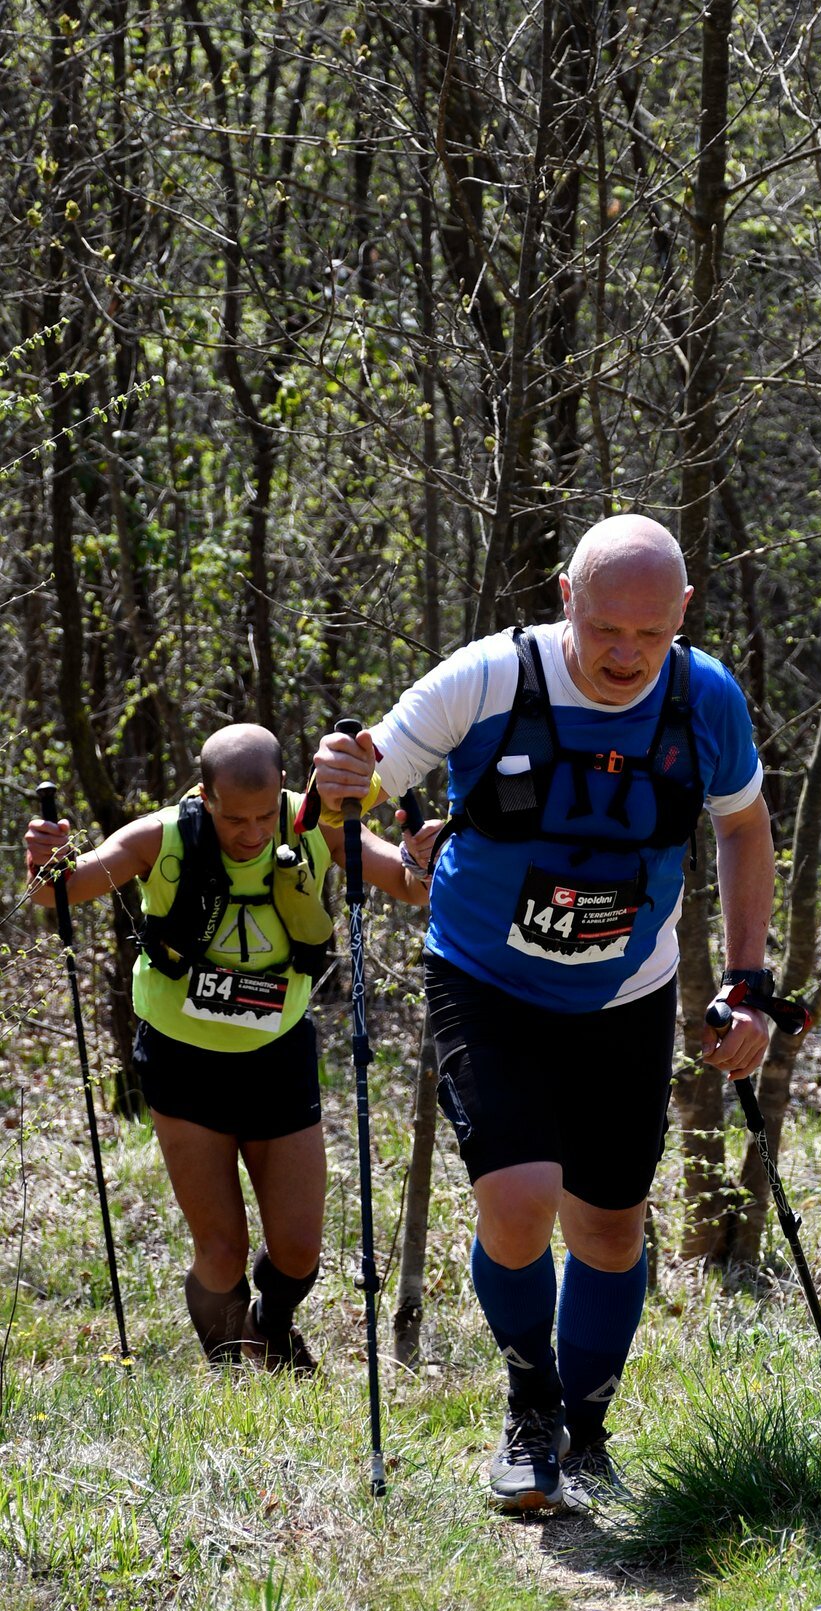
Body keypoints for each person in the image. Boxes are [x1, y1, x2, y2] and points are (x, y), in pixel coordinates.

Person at [313, 514, 775, 1513]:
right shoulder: (487, 679)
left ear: (682, 616)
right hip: (487, 975)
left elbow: (742, 828)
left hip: (628, 989)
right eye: (606, 628)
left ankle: (588, 1427)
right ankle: (530, 1407)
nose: (624, 655)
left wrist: (745, 982)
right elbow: (365, 776)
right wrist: (344, 778)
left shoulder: (705, 698)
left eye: (649, 636)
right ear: (568, 594)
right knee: (519, 1200)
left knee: (611, 1226)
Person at [23, 723, 430, 1372]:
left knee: (297, 1249)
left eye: (266, 814)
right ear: (205, 795)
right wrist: (46, 856)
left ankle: (271, 1326)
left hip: (278, 1056)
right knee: (220, 1248)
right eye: (235, 817)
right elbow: (58, 889)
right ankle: (234, 1371)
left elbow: (408, 884)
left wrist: (424, 857)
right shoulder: (160, 836)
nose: (252, 832)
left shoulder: (312, 822)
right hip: (185, 1062)